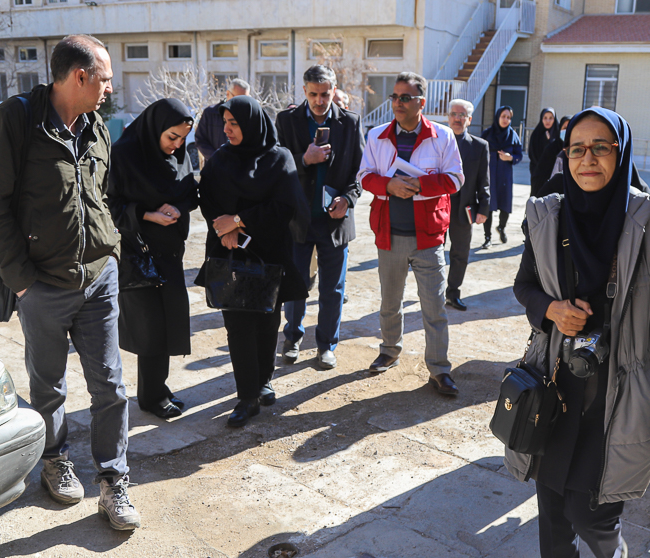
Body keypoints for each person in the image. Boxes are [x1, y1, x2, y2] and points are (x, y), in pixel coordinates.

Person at [510, 107, 650, 558]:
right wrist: (550, 309)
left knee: (590, 512)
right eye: (576, 148)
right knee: (551, 509)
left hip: (620, 394)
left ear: (622, 152)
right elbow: (524, 285)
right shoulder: (546, 214)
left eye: (601, 147)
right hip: (554, 385)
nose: (587, 159)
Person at [0, 34, 141, 530]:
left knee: (110, 386)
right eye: (105, 79)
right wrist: (23, 282)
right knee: (48, 386)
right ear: (79, 76)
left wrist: (111, 252)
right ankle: (55, 460)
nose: (109, 88)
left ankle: (113, 481)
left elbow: (101, 196)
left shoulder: (96, 126)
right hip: (42, 285)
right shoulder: (16, 119)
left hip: (98, 279)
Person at [196, 96, 309, 427]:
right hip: (229, 253)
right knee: (237, 325)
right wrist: (224, 229)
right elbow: (207, 199)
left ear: (252, 124)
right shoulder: (220, 159)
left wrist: (239, 220)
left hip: (269, 253)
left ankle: (263, 380)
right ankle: (246, 396)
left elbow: (285, 205)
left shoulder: (279, 158)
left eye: (234, 124)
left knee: (266, 320)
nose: (227, 130)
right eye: (225, 123)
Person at [357, 71, 464, 395]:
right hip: (389, 235)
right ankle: (390, 351)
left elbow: (455, 179)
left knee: (434, 308)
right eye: (394, 96)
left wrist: (420, 184)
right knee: (390, 302)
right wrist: (387, 185)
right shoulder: (376, 135)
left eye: (405, 97)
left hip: (428, 237)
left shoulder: (442, 136)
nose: (397, 103)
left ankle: (439, 370)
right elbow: (364, 176)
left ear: (421, 102)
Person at [109, 98, 198, 420]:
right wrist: (147, 215)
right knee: (149, 326)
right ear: (155, 128)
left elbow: (190, 192)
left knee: (168, 322)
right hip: (139, 254)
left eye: (183, 138)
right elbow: (109, 204)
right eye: (172, 137)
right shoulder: (124, 155)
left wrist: (179, 208)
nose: (177, 145)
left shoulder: (178, 154)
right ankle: (151, 396)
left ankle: (158, 388)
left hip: (170, 253)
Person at [275, 65, 364, 370]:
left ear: (333, 91)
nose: (319, 100)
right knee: (295, 284)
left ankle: (326, 345)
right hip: (298, 221)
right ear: (304, 91)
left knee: (332, 289)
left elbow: (360, 173)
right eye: (313, 94)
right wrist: (304, 159)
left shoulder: (350, 122)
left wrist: (347, 200)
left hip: (335, 223)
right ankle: (292, 338)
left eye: (325, 94)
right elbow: (275, 166)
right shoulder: (286, 120)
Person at [444, 98, 489, 311]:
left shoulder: (479, 146)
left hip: (464, 209)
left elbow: (484, 181)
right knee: (432, 252)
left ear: (469, 119)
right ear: (448, 117)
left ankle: (453, 293)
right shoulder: (437, 142)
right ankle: (431, 292)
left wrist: (484, 208)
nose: (457, 118)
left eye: (462, 115)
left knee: (460, 253)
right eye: (454, 114)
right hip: (437, 207)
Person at [480, 106, 523, 248]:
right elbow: (479, 152)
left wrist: (510, 158)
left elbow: (519, 155)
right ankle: (487, 237)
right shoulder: (487, 134)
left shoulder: (513, 135)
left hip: (505, 176)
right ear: (497, 116)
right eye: (503, 116)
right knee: (488, 206)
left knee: (505, 205)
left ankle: (501, 227)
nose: (506, 120)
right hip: (489, 175)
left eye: (508, 117)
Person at [196, 78, 250, 163]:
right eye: (238, 99)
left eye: (245, 99)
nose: (241, 103)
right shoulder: (210, 113)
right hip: (215, 166)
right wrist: (217, 158)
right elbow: (200, 140)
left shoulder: (249, 116)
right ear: (228, 94)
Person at [531, 114, 569, 197]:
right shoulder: (551, 149)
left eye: (570, 128)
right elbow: (539, 176)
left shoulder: (578, 150)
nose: (567, 131)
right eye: (565, 128)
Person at [527, 108, 557, 195]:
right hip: (537, 173)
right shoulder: (536, 135)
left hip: (553, 173)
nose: (548, 121)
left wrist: (550, 142)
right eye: (545, 118)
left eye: (550, 118)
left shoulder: (557, 135)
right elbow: (532, 154)